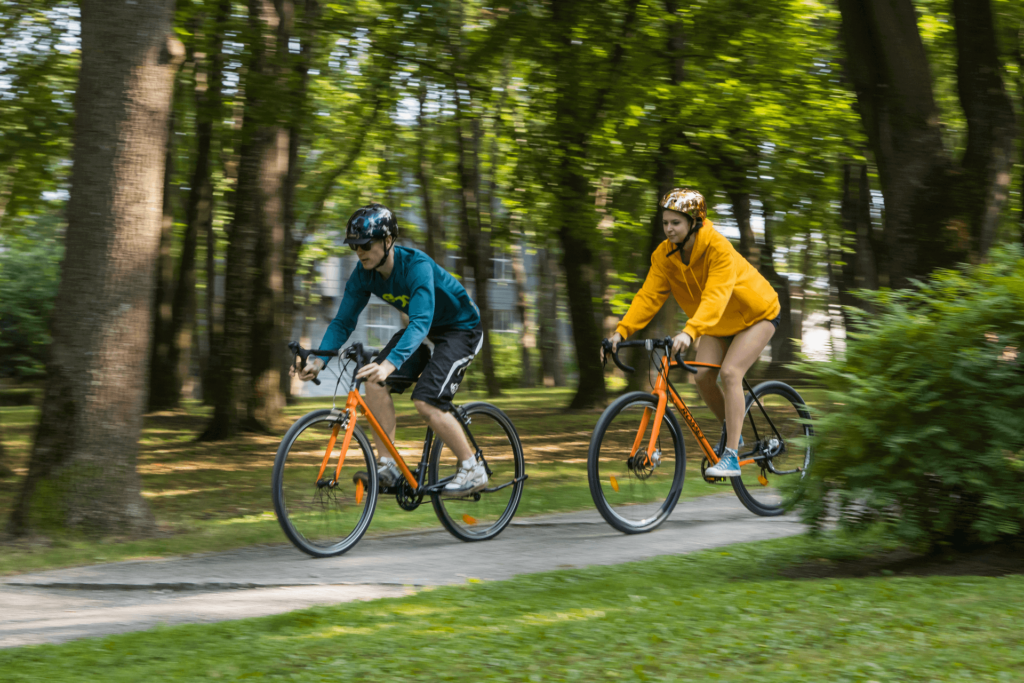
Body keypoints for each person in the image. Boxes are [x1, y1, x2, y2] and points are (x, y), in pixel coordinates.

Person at [293, 203, 487, 497]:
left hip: (461, 329)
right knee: (374, 378)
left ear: (387, 241)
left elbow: (420, 320)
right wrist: (319, 359)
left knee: (426, 400)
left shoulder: (417, 267)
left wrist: (390, 363)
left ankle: (473, 468)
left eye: (365, 245)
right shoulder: (363, 275)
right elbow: (344, 321)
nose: (359, 252)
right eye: (354, 246)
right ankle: (388, 465)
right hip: (424, 330)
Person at [603, 188, 781, 478]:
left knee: (731, 373)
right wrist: (620, 333)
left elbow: (716, 295)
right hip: (717, 322)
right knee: (701, 376)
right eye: (665, 223)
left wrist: (690, 331)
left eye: (676, 223)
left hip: (756, 315)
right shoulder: (664, 256)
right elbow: (648, 297)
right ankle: (737, 435)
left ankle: (732, 455)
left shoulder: (717, 248)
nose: (669, 229)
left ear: (694, 222)